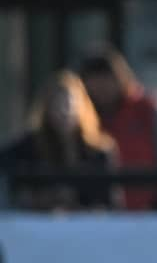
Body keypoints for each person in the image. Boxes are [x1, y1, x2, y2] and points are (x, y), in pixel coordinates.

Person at [79, 46, 157, 211]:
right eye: (94, 80)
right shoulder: (82, 115)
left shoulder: (151, 106)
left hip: (152, 214)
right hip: (98, 218)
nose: (101, 88)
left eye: (107, 79)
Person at [0, 71, 120, 211]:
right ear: (47, 109)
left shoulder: (99, 151)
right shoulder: (30, 146)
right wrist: (35, 198)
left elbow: (111, 203)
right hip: (38, 227)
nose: (64, 112)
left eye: (69, 105)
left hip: (87, 228)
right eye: (56, 105)